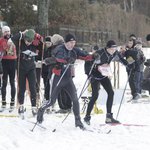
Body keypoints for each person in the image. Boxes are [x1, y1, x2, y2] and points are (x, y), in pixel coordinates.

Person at [37, 33, 94, 129]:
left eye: (74, 42)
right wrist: (66, 60)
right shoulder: (59, 48)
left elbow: (85, 56)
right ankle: (41, 110)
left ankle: (78, 121)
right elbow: (57, 58)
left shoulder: (74, 50)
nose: (72, 44)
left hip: (67, 79)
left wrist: (94, 56)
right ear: (66, 42)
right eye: (71, 42)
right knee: (51, 101)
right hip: (57, 77)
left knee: (75, 100)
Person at [84, 40, 130, 125]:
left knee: (111, 93)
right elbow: (87, 61)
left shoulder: (115, 53)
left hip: (104, 75)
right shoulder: (100, 53)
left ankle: (109, 117)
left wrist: (130, 64)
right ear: (107, 48)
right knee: (95, 96)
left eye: (114, 49)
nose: (113, 51)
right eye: (111, 49)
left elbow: (122, 60)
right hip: (95, 75)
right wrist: (89, 74)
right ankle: (87, 117)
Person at [11, 29, 43, 117]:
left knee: (33, 87)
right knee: (22, 87)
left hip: (31, 68)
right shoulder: (20, 41)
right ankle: (21, 105)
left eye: (30, 41)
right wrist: (22, 33)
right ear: (24, 38)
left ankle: (33, 106)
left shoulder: (34, 43)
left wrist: (38, 36)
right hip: (21, 68)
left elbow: (42, 44)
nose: (28, 43)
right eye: (27, 41)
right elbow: (12, 38)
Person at [0, 26, 17, 112]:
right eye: (5, 32)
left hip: (13, 62)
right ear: (3, 33)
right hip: (4, 62)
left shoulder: (14, 39)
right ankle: (3, 103)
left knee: (12, 82)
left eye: (8, 31)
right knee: (4, 83)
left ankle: (12, 103)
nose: (7, 33)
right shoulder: (1, 40)